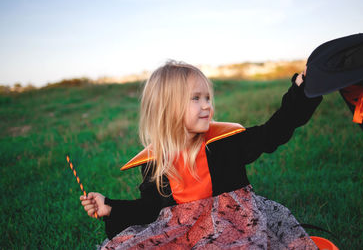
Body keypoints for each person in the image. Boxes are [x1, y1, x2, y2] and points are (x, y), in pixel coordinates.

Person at [80, 61, 322, 249]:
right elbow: (150, 209)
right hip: (183, 231)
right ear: (168, 109)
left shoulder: (224, 142)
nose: (207, 105)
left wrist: (301, 90)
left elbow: (273, 133)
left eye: (207, 97)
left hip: (233, 225)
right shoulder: (156, 161)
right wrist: (110, 207)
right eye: (196, 98)